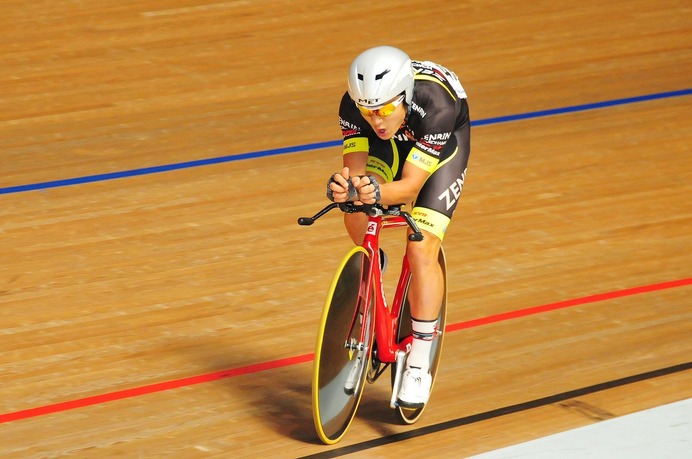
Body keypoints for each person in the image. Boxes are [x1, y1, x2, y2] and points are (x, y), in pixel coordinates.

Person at [327, 45, 471, 408]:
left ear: (404, 94)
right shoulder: (354, 106)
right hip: (394, 144)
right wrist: (347, 186)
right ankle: (373, 270)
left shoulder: (437, 105)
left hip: (441, 148)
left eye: (386, 108)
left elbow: (409, 188)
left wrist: (375, 190)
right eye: (367, 110)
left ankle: (420, 359)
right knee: (356, 207)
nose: (376, 119)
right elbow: (357, 171)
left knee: (421, 247)